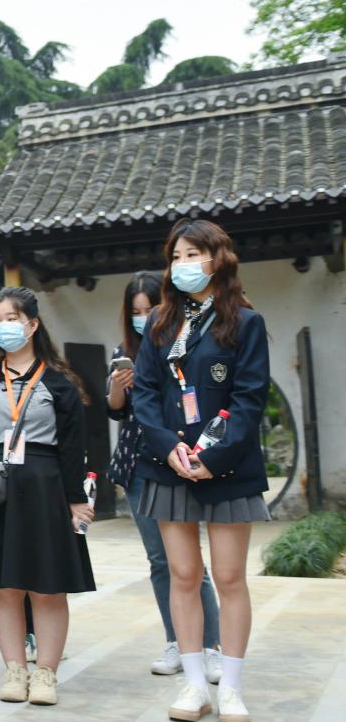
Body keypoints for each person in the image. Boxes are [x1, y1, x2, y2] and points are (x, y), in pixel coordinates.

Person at [132, 219, 270, 722]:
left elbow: (250, 397)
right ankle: (194, 684)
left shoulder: (245, 322)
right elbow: (146, 394)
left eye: (193, 254)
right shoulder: (160, 323)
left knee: (229, 577)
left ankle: (230, 687)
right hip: (170, 465)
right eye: (177, 256)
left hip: (227, 466)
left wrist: (214, 458)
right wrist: (168, 447)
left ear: (218, 258)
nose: (183, 264)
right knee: (184, 576)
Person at [0, 286, 95, 706]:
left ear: (32, 326)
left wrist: (75, 499)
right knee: (3, 586)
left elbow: (73, 448)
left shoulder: (59, 384)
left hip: (45, 486)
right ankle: (15, 669)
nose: (3, 326)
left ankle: (46, 672)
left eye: (11, 318)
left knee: (48, 587)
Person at [107, 271, 223, 680]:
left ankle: (211, 645)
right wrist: (119, 384)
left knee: (190, 563)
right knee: (160, 561)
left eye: (149, 308)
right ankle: (176, 640)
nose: (143, 317)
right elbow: (116, 409)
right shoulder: (124, 351)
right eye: (136, 311)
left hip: (178, 460)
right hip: (138, 464)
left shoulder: (185, 344)